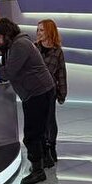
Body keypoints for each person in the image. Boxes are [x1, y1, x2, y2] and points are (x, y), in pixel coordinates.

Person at [0, 17, 55, 184]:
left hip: (37, 93)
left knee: (32, 134)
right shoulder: (16, 43)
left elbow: (8, 73)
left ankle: (38, 171)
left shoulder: (20, 45)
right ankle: (45, 161)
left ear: (6, 34)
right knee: (39, 130)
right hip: (38, 91)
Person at [35, 19, 68, 169]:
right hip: (34, 91)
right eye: (38, 30)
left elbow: (61, 73)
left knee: (49, 120)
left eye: (41, 30)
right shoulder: (33, 48)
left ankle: (51, 147)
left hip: (50, 91)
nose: (38, 33)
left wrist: (62, 93)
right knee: (38, 122)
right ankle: (41, 150)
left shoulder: (57, 51)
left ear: (49, 31)